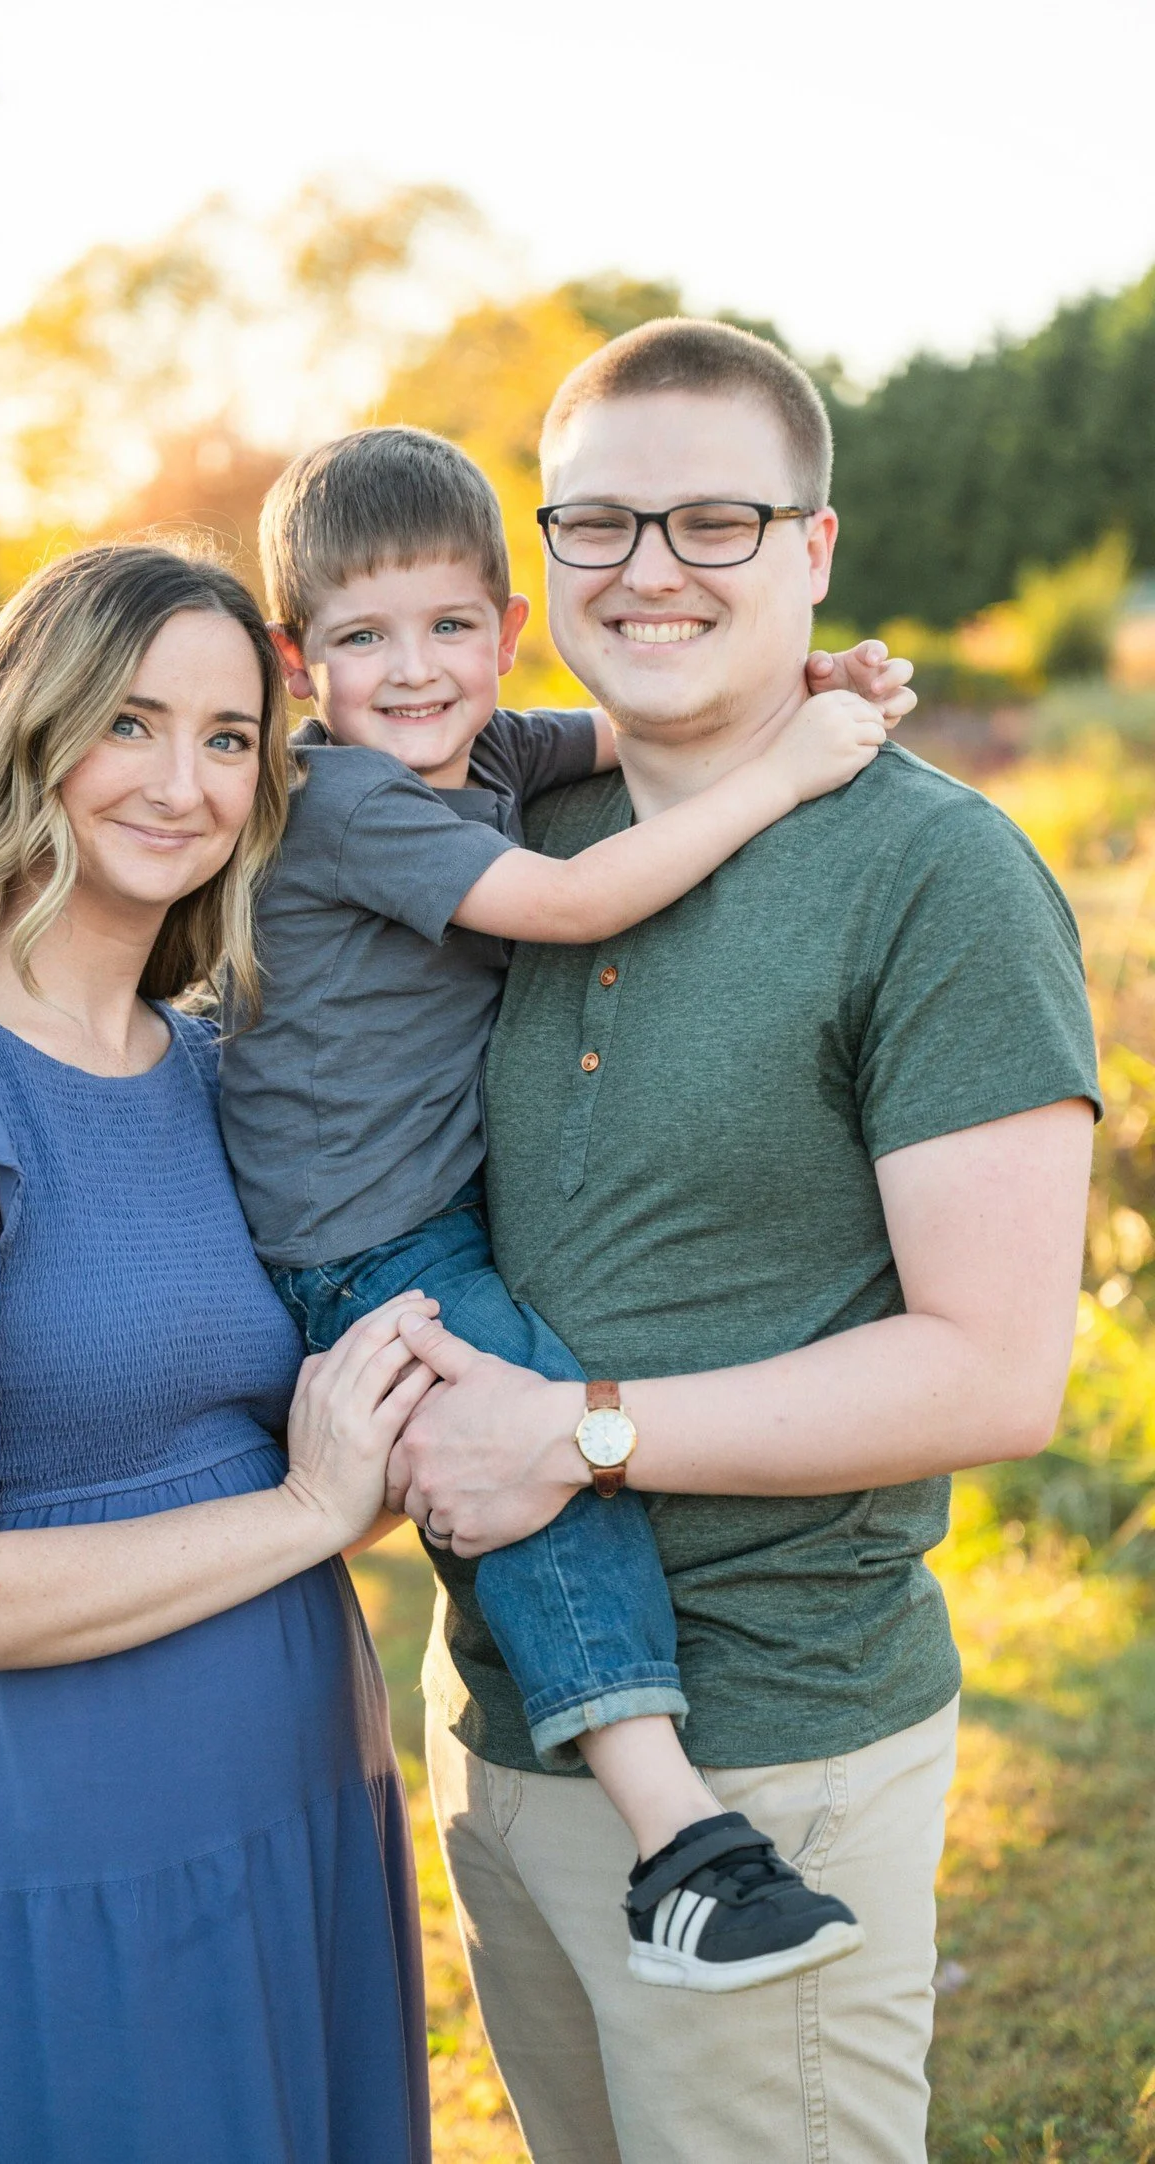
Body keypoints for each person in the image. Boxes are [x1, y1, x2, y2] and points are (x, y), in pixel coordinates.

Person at [388, 320, 1100, 2163]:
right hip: (502, 1733)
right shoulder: (501, 827)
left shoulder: (935, 879)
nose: (648, 570)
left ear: (816, 549)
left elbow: (996, 1366)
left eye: (715, 519)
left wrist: (580, 1433)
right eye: (600, 524)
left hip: (773, 1754)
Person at [0, 544, 435, 2164]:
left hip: (306, 1791)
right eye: (128, 723)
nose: (183, 783)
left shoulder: (215, 1067)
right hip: (81, 1850)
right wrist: (304, 1513)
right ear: (26, 734)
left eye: (226, 740)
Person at [220, 423, 914, 1990]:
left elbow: (630, 741)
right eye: (362, 638)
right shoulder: (340, 799)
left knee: (526, 1430)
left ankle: (668, 1832)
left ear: (507, 628)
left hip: (417, 1216)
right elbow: (578, 899)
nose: (415, 672)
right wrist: (796, 773)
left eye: (453, 625)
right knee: (529, 1448)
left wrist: (802, 692)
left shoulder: (491, 756)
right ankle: (681, 1843)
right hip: (358, 1250)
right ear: (295, 660)